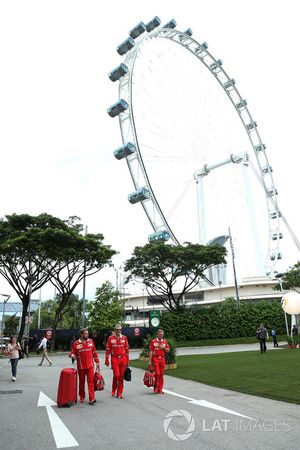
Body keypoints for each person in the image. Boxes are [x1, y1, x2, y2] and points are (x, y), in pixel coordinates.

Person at [70, 328, 100, 405]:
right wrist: (72, 355)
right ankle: (82, 396)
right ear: (81, 334)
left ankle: (92, 398)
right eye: (86, 333)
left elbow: (94, 352)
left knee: (90, 382)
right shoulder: (76, 343)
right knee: (82, 382)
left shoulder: (91, 341)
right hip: (81, 367)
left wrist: (97, 362)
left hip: (90, 366)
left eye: (87, 333)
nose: (87, 334)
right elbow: (72, 353)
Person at [105, 324, 129, 399]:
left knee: (121, 376)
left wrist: (127, 360)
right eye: (117, 330)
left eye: (120, 330)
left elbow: (127, 349)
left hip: (123, 358)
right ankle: (113, 389)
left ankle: (119, 393)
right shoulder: (110, 338)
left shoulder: (124, 338)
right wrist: (106, 359)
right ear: (114, 330)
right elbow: (108, 349)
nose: (119, 331)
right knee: (116, 375)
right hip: (114, 359)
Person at [149, 329, 170, 394]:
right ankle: (156, 388)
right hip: (155, 359)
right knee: (157, 373)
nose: (161, 335)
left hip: (162, 359)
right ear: (157, 334)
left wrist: (163, 348)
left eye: (162, 334)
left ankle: (160, 389)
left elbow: (168, 350)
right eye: (159, 334)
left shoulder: (165, 341)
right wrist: (150, 361)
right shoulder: (153, 341)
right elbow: (151, 351)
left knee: (161, 374)